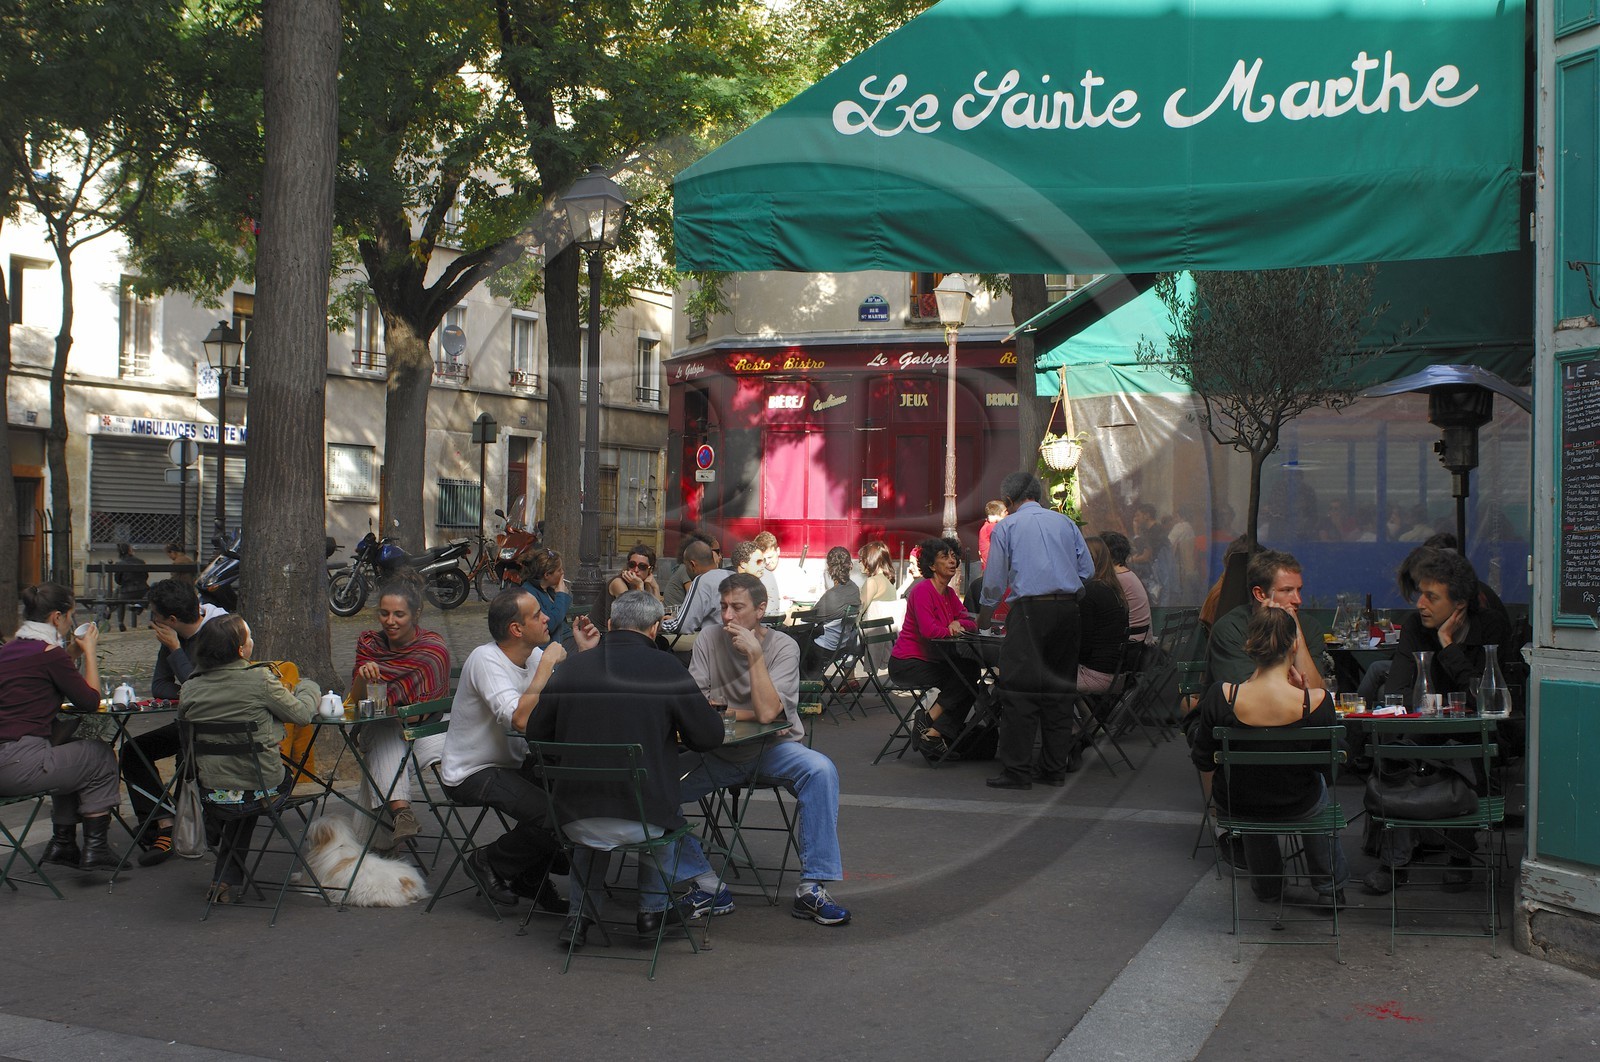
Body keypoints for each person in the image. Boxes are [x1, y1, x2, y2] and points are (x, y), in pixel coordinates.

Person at [526, 591, 729, 946]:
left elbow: (536, 734)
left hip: (572, 819)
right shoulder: (666, 668)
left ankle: (579, 917)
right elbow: (708, 737)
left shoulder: (572, 667)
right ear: (654, 629)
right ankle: (652, 911)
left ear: (609, 624)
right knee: (654, 805)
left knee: (597, 800)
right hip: (645, 822)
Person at [678, 573, 852, 926]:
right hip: (717, 752)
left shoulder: (783, 646)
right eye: (723, 607)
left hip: (772, 749)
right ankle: (705, 882)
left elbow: (769, 713)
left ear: (760, 610)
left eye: (737, 607)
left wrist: (755, 657)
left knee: (820, 770)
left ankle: (812, 887)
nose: (727, 616)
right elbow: (696, 705)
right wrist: (749, 712)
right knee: (648, 789)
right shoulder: (708, 639)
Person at [1364, 548, 1514, 895]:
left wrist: (1448, 648)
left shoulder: (1490, 627)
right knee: (1395, 755)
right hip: (1424, 733)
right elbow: (1397, 692)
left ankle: (1459, 854)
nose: (1420, 604)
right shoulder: (1415, 626)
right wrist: (1444, 708)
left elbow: (1489, 700)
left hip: (1476, 737)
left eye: (1431, 597)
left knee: (1462, 755)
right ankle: (1394, 863)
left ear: (1459, 604)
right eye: (1420, 594)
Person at [439, 589, 599, 908]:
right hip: (472, 771)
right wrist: (546, 666)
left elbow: (568, 700)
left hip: (512, 763)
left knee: (576, 797)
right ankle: (488, 861)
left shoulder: (533, 656)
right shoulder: (486, 660)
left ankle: (530, 876)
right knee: (554, 816)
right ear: (516, 629)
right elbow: (521, 720)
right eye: (537, 614)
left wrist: (583, 654)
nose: (547, 618)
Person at [1188, 608, 1351, 903]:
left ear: (1249, 645)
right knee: (1316, 787)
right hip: (1299, 803)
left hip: (1239, 805)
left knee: (1249, 785)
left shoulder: (1220, 696)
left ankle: (1268, 886)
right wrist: (1304, 694)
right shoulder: (1316, 701)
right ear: (1295, 646)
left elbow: (1202, 759)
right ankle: (1329, 888)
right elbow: (1330, 767)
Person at [178, 615, 320, 903]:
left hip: (211, 791)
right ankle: (223, 873)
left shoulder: (190, 687)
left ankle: (223, 873)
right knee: (253, 788)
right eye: (249, 637)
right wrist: (308, 687)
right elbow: (303, 715)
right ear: (241, 650)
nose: (252, 641)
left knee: (240, 791)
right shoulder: (259, 679)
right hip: (261, 787)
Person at [979, 472, 1095, 789]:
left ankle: (1017, 771)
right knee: (1059, 691)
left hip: (1030, 611)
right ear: (1038, 495)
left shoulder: (1007, 527)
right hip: (1067, 611)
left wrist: (985, 616)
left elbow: (994, 581)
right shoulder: (1065, 523)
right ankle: (1054, 768)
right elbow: (1087, 570)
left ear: (1008, 501)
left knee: (1020, 690)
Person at [0, 583, 122, 871]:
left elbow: (41, 672)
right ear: (57, 617)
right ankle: (96, 849)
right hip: (20, 763)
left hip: (7, 760)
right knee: (100, 755)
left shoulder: (9, 650)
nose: (70, 622)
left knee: (68, 750)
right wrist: (89, 652)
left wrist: (70, 653)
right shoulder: (49, 654)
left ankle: (63, 844)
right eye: (70, 616)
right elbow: (90, 701)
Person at [117, 578, 228, 866]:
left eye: (155, 614)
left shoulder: (220, 632)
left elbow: (210, 691)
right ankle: (162, 824)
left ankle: (183, 827)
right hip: (189, 723)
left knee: (186, 754)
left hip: (219, 728)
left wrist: (177, 651)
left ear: (173, 619)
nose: (152, 620)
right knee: (132, 751)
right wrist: (190, 691)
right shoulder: (171, 638)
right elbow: (160, 685)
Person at [350, 576, 451, 849]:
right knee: (385, 729)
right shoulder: (370, 645)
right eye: (384, 613)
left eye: (398, 614)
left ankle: (387, 829)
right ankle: (402, 814)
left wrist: (396, 713)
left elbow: (428, 709)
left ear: (415, 614)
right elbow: (357, 702)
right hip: (386, 728)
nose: (390, 621)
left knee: (388, 735)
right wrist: (363, 677)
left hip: (428, 730)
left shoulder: (432, 649)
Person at [889, 536, 978, 760]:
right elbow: (929, 630)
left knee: (970, 673)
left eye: (953, 556)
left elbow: (970, 621)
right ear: (931, 565)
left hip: (933, 659)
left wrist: (959, 624)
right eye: (945, 557)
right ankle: (931, 728)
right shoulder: (922, 591)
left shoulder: (949, 594)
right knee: (964, 678)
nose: (952, 561)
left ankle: (932, 731)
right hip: (907, 663)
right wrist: (951, 629)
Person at [1205, 550, 1326, 691]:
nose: (1298, 600)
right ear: (1260, 594)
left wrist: (1296, 633)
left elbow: (1315, 691)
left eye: (1299, 590)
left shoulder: (1309, 626)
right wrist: (1271, 627)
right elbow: (1246, 694)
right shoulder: (1230, 628)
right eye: (1286, 590)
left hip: (1293, 704)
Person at [796, 546, 861, 679]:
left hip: (825, 648)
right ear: (850, 566)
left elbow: (807, 619)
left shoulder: (832, 596)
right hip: (842, 645)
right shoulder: (854, 589)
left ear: (830, 568)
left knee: (791, 639)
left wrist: (795, 611)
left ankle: (803, 684)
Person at [1077, 537, 1130, 696]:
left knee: (1040, 679)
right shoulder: (1114, 589)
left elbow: (1083, 646)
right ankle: (1087, 714)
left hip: (1095, 676)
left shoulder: (1089, 592)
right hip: (1117, 676)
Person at [658, 538, 729, 647]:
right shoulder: (730, 575)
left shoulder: (701, 580)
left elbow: (683, 626)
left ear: (692, 564)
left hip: (714, 646)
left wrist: (660, 624)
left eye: (686, 566)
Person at [1099, 531, 1153, 644]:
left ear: (1105, 553)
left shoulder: (1115, 578)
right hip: (1141, 642)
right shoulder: (1128, 574)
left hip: (1130, 644)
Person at [522, 547, 573, 646]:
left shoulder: (549, 589)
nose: (562, 572)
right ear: (547, 575)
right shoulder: (529, 594)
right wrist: (561, 595)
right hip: (551, 645)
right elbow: (549, 624)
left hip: (565, 638)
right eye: (559, 570)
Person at [111, 543, 150, 631]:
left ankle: (120, 621)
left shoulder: (119, 564)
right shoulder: (141, 562)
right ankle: (139, 607)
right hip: (142, 592)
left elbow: (118, 581)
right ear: (129, 551)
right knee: (119, 591)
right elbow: (145, 576)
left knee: (119, 595)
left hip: (126, 593)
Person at [753, 530, 785, 616]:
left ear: (778, 551)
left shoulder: (793, 572)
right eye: (763, 559)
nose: (767, 562)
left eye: (770, 557)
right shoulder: (756, 573)